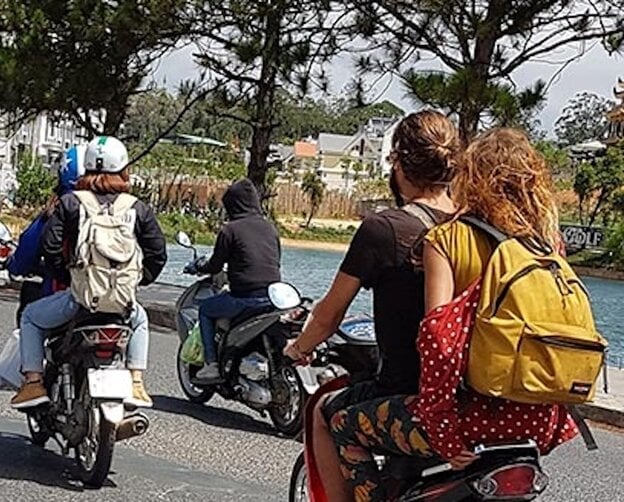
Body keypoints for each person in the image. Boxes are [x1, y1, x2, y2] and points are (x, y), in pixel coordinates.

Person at [326, 128, 578, 501]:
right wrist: (558, 420)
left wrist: (443, 429)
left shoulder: (450, 238)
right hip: (542, 423)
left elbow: (440, 343)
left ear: (471, 176)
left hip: (469, 416)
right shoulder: (549, 246)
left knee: (343, 424)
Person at [283, 110, 459, 502]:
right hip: (471, 395)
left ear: (397, 162)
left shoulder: (386, 228)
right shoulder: (474, 225)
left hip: (407, 392)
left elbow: (329, 313)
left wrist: (299, 348)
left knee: (324, 411)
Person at [10, 136, 167, 410]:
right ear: (123, 168)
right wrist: (134, 282)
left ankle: (33, 383)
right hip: (122, 303)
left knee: (31, 318)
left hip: (78, 301)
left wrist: (70, 275)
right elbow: (157, 254)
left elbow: (50, 246)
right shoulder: (136, 207)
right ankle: (137, 382)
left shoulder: (71, 203)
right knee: (140, 321)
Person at [191, 178, 281, 383]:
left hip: (245, 298)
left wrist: (198, 266)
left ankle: (211, 365)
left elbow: (214, 266)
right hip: (274, 298)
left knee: (205, 309)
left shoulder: (230, 230)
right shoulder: (270, 228)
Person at [8, 145, 86, 326]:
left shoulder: (61, 207)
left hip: (67, 295)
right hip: (114, 300)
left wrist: (15, 265)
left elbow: (28, 249)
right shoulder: (121, 207)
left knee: (28, 317)